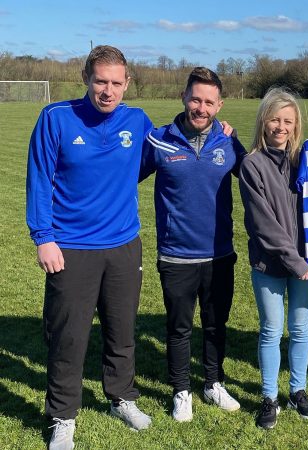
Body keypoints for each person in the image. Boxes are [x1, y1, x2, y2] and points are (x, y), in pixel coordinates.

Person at [26, 45, 153, 450]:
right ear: (86, 78)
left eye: (117, 83)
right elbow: (39, 180)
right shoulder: (56, 118)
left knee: (122, 330)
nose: (108, 90)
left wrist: (221, 130)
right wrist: (43, 238)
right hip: (70, 248)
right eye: (101, 81)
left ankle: (121, 397)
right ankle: (63, 416)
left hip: (123, 246)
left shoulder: (138, 120)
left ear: (127, 83)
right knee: (69, 337)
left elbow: (157, 158)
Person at [139, 67, 247, 422]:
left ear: (220, 105)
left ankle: (213, 383)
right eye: (196, 99)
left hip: (220, 255)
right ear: (184, 97)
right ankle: (181, 390)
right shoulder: (158, 141)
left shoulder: (229, 143)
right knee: (179, 327)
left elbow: (260, 178)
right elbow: (121, 177)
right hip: (176, 256)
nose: (201, 108)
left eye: (209, 102)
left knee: (216, 325)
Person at [239, 87, 308, 430]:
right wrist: (295, 261)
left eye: (288, 120)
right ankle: (269, 397)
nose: (281, 126)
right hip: (271, 265)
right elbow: (263, 225)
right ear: (263, 120)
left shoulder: (306, 159)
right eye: (275, 119)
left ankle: (297, 391)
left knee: (300, 329)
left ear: (296, 124)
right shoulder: (252, 164)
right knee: (271, 330)